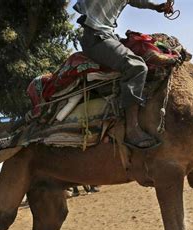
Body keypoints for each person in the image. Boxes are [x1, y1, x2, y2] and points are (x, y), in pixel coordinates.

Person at [73, 0, 172, 149]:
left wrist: (157, 7)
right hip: (95, 37)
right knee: (137, 67)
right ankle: (131, 129)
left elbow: (137, 1)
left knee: (152, 51)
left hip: (108, 35)